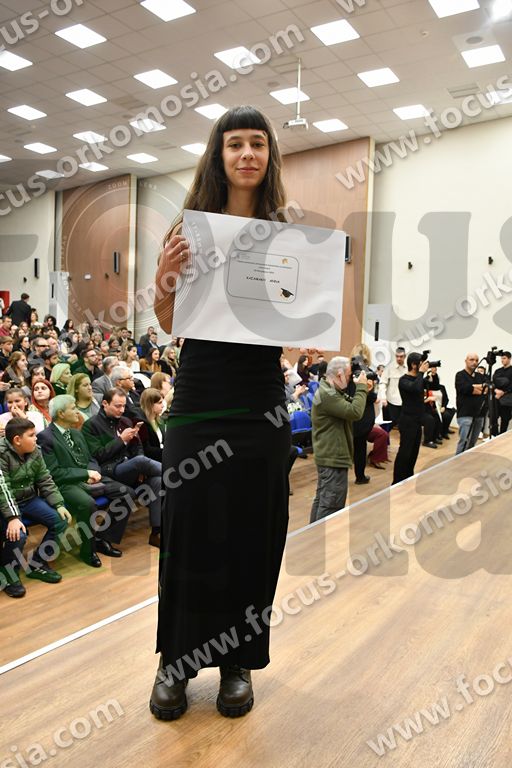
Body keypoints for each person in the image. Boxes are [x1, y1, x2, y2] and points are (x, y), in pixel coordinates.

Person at [151, 106, 291, 721]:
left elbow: (292, 323)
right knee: (188, 531)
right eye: (235, 144)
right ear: (219, 154)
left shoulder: (288, 236)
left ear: (269, 155)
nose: (247, 154)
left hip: (261, 403)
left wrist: (311, 325)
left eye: (257, 143)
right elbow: (168, 323)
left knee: (253, 533)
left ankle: (237, 661)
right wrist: (164, 279)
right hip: (199, 400)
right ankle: (175, 663)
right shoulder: (187, 229)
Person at [38, 396, 134, 567]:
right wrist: (84, 474)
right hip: (65, 484)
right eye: (73, 408)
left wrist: (93, 473)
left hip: (88, 477)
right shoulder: (45, 437)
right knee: (87, 504)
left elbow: (90, 458)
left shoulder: (76, 432)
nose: (77, 412)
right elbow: (54, 473)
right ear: (61, 413)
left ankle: (103, 539)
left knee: (127, 493)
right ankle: (88, 551)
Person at [82, 388, 162, 546]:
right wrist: (121, 440)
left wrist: (141, 469)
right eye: (117, 406)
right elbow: (97, 455)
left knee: (157, 481)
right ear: (105, 404)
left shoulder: (125, 421)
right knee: (140, 461)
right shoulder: (91, 425)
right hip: (109, 470)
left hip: (130, 468)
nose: (122, 410)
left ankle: (156, 533)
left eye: (124, 406)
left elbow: (138, 447)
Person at [0, 417, 71, 586]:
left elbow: (45, 479)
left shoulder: (35, 450)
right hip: (4, 505)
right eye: (31, 435)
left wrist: (58, 504)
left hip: (28, 499)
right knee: (18, 535)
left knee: (60, 521)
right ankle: (8, 571)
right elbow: (3, 488)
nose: (36, 438)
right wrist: (13, 518)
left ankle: (37, 562)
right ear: (17, 440)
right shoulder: (1, 454)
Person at [310, 357, 368, 522]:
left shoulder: (330, 390)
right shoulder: (327, 394)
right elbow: (355, 412)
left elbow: (351, 404)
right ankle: (321, 536)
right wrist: (361, 388)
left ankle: (313, 534)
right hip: (333, 458)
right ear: (340, 375)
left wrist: (360, 389)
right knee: (331, 507)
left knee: (323, 500)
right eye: (348, 376)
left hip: (330, 456)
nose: (350, 379)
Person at [392, 353, 430, 484]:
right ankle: (397, 481)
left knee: (414, 452)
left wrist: (432, 375)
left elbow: (434, 386)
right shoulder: (404, 380)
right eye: (421, 363)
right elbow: (415, 388)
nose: (423, 365)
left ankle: (408, 477)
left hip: (417, 420)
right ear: (414, 365)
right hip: (407, 421)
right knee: (405, 452)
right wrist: (421, 373)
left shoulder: (419, 379)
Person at [455, 352, 487, 454]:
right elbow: (465, 388)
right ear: (466, 361)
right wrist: (478, 388)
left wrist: (473, 387)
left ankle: (467, 461)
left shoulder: (480, 376)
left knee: (473, 442)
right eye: (471, 360)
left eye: (476, 360)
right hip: (465, 413)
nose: (474, 362)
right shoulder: (460, 375)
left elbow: (486, 389)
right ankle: (457, 460)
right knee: (463, 441)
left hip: (479, 414)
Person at [377, 347, 407, 427]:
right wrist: (383, 398)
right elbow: (383, 383)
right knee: (392, 424)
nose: (399, 358)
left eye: (401, 356)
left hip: (405, 401)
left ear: (405, 356)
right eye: (397, 356)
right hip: (392, 401)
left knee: (404, 425)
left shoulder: (408, 368)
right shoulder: (389, 368)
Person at [138, 388, 166, 461]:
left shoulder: (160, 420)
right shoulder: (142, 423)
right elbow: (147, 450)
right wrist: (167, 452)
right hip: (153, 460)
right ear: (150, 404)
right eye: (159, 403)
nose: (163, 406)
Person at [492, 352, 512, 434]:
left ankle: (501, 435)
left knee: (505, 419)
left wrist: (504, 392)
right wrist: (495, 390)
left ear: (509, 359)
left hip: (507, 399)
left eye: (504, 358)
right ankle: (494, 435)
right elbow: (492, 383)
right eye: (501, 358)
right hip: (496, 397)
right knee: (493, 417)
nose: (502, 360)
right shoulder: (498, 371)